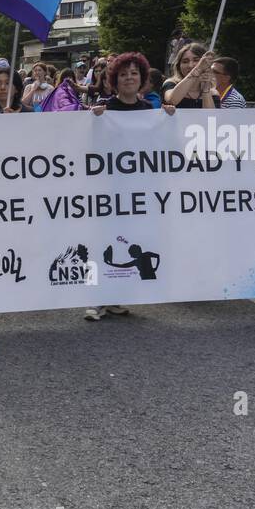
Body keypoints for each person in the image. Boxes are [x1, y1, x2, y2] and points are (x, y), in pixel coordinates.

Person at [86, 52, 176, 322]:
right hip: (107, 189)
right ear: (114, 79)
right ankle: (93, 298)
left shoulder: (150, 111)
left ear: (142, 79)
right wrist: (93, 119)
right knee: (98, 241)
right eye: (123, 74)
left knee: (125, 243)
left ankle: (114, 297)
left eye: (134, 73)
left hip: (137, 191)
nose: (129, 78)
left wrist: (170, 118)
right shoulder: (104, 108)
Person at [162, 43, 218, 109]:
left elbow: (211, 118)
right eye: (185, 61)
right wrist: (198, 69)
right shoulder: (171, 83)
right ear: (178, 66)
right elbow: (172, 100)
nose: (190, 65)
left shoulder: (213, 93)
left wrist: (206, 90)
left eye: (196, 60)